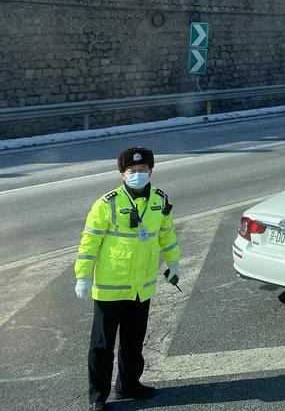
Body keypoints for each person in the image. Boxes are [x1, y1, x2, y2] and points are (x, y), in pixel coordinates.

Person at [75, 147, 180, 411]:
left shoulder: (159, 200)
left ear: (151, 171)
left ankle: (128, 385)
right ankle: (97, 397)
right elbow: (89, 242)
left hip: (141, 288)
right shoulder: (107, 204)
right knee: (102, 346)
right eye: (132, 171)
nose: (138, 175)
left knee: (133, 342)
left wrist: (174, 261)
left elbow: (166, 233)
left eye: (142, 170)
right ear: (122, 175)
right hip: (110, 288)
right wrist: (83, 276)